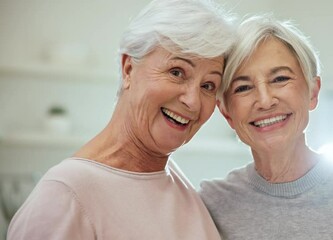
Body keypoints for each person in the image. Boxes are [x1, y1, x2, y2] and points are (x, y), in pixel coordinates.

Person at [7, 0, 236, 239]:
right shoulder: (65, 197)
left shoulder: (173, 180)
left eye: (208, 85)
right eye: (176, 72)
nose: (193, 101)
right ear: (128, 69)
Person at [199, 15, 333, 240]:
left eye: (280, 79)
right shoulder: (209, 204)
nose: (265, 100)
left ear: (313, 92)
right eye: (243, 87)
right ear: (226, 112)